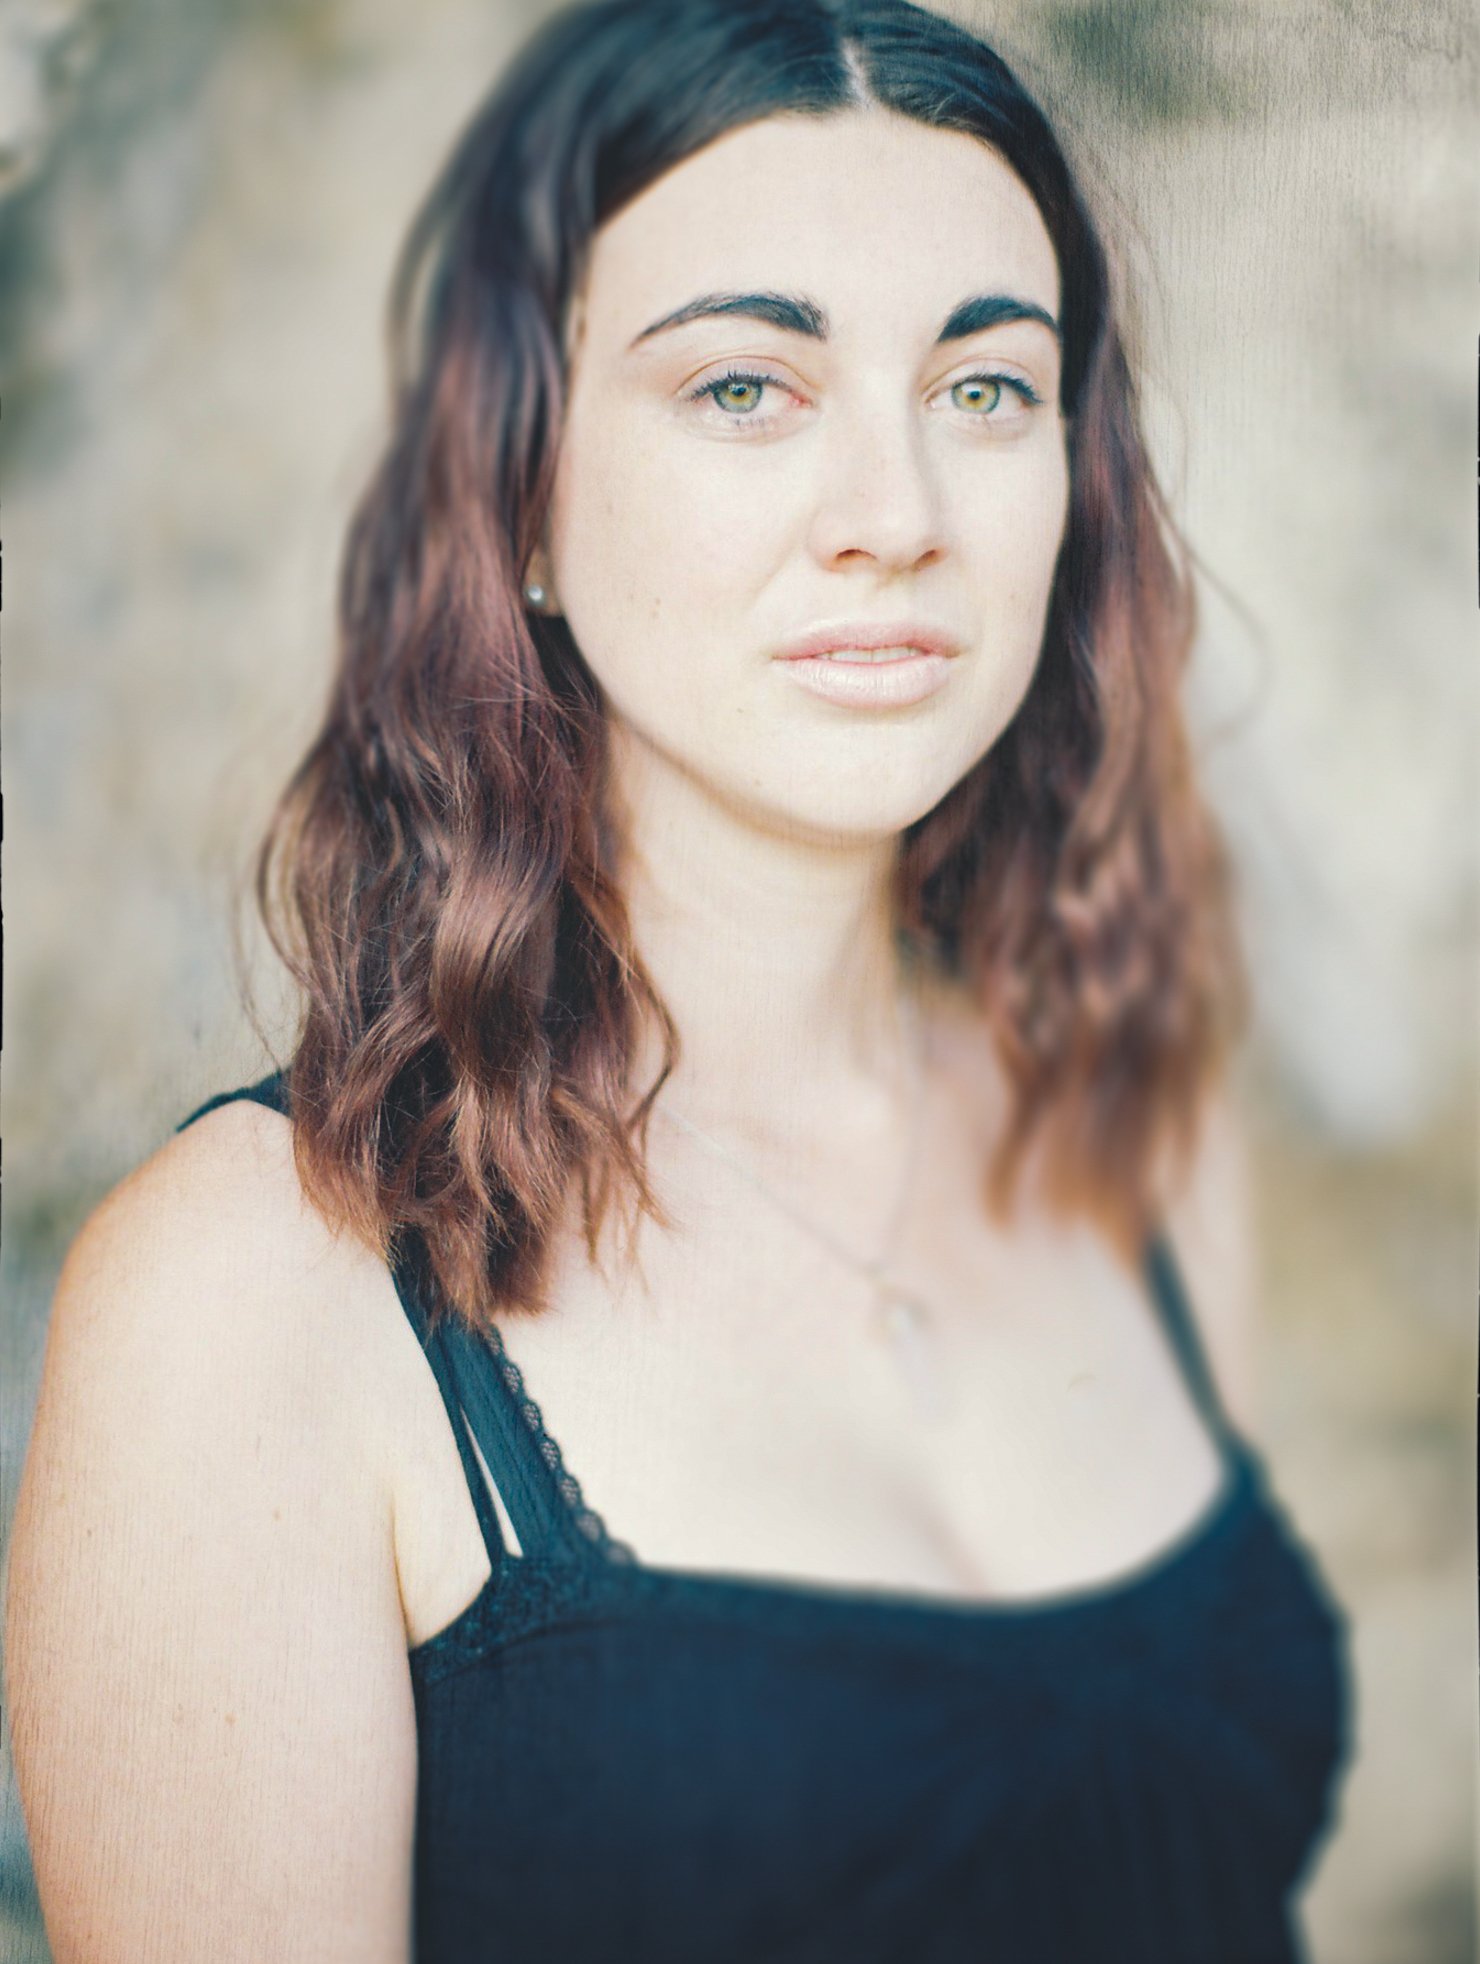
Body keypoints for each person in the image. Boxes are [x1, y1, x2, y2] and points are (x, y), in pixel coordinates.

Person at [6, 1, 1350, 1958]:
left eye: (987, 388)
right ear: (521, 490)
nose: (896, 517)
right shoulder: (249, 1296)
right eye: (743, 386)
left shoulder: (1129, 1145)